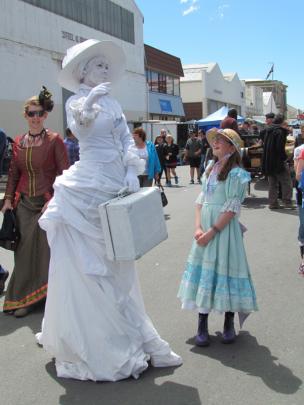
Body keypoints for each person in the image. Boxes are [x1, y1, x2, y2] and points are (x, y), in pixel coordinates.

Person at [36, 39, 182, 382]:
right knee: (91, 265)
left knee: (119, 264)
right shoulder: (76, 101)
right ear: (84, 72)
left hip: (115, 181)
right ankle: (100, 340)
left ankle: (137, 335)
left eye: (105, 65)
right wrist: (89, 100)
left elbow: (125, 140)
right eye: (98, 66)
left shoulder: (114, 103)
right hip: (87, 185)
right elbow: (80, 127)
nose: (104, 70)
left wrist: (132, 170)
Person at [178, 128, 258, 346]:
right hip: (205, 228)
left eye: (221, 141)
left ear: (232, 147)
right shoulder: (210, 168)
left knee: (226, 269)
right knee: (205, 272)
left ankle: (228, 323)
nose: (215, 143)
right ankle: (202, 324)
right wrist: (197, 228)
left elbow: (231, 209)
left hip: (224, 230)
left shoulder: (237, 174)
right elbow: (200, 201)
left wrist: (211, 232)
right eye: (214, 141)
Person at [1, 88, 69, 317]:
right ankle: (23, 296)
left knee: (44, 253)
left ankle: (38, 298)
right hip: (23, 205)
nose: (35, 117)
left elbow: (64, 174)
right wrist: (8, 199)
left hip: (46, 204)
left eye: (39, 113)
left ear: (45, 115)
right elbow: (13, 173)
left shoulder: (54, 140)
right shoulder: (19, 141)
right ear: (25, 115)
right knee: (23, 252)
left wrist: (54, 200)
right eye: (31, 113)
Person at [262, 114, 294, 209]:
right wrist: (285, 158)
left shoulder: (267, 130)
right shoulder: (280, 132)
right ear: (282, 122)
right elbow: (279, 148)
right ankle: (287, 202)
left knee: (272, 183)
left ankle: (273, 203)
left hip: (268, 161)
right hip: (278, 161)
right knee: (286, 181)